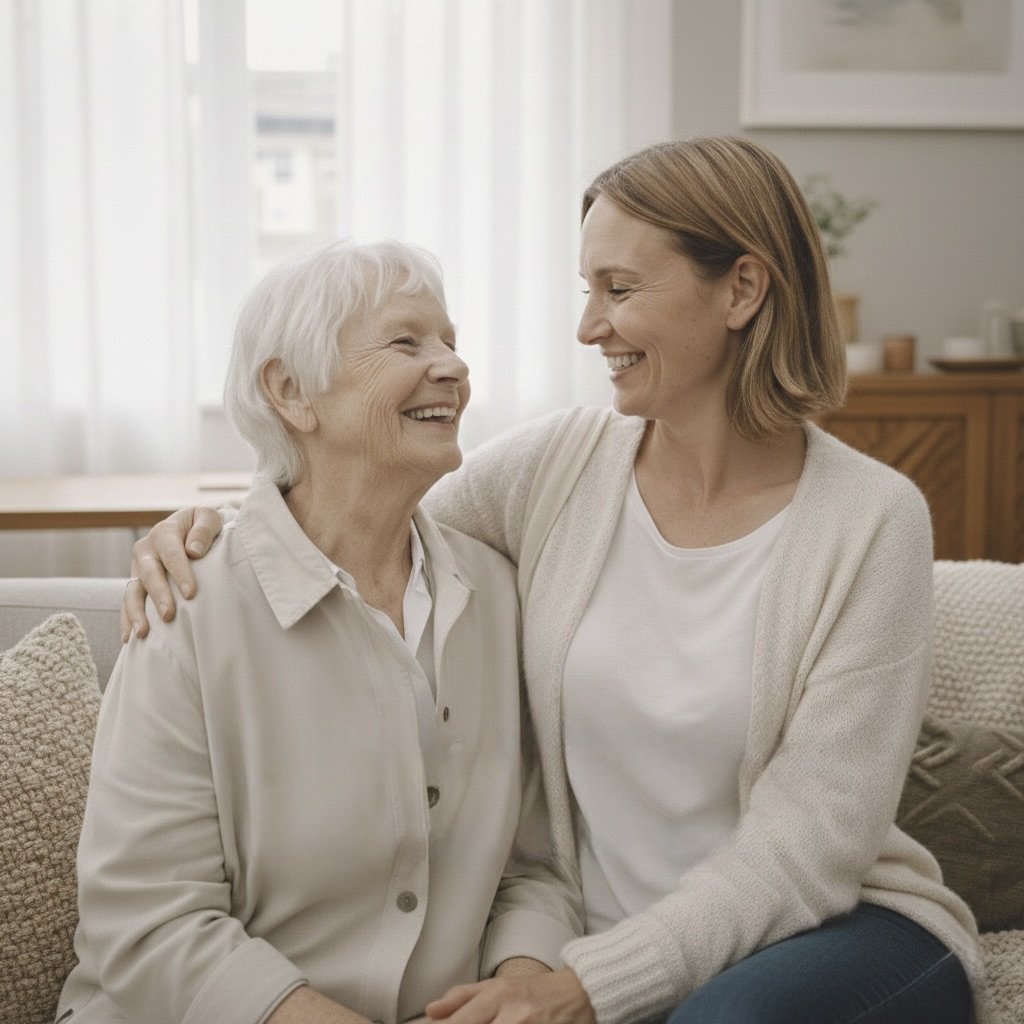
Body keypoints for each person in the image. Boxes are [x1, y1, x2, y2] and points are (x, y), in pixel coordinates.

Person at [121, 137, 990, 1024]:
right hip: (588, 940)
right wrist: (213, 532)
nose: (588, 326)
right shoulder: (558, 470)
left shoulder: (872, 519)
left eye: (619, 289)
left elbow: (811, 848)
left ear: (741, 288)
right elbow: (352, 511)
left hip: (820, 935)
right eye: (587, 292)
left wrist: (590, 985)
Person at [57, 240, 580, 1024]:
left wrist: (519, 985)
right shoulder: (188, 605)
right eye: (408, 342)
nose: (452, 368)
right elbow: (148, 921)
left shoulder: (499, 595)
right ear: (291, 391)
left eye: (452, 344)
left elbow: (535, 863)